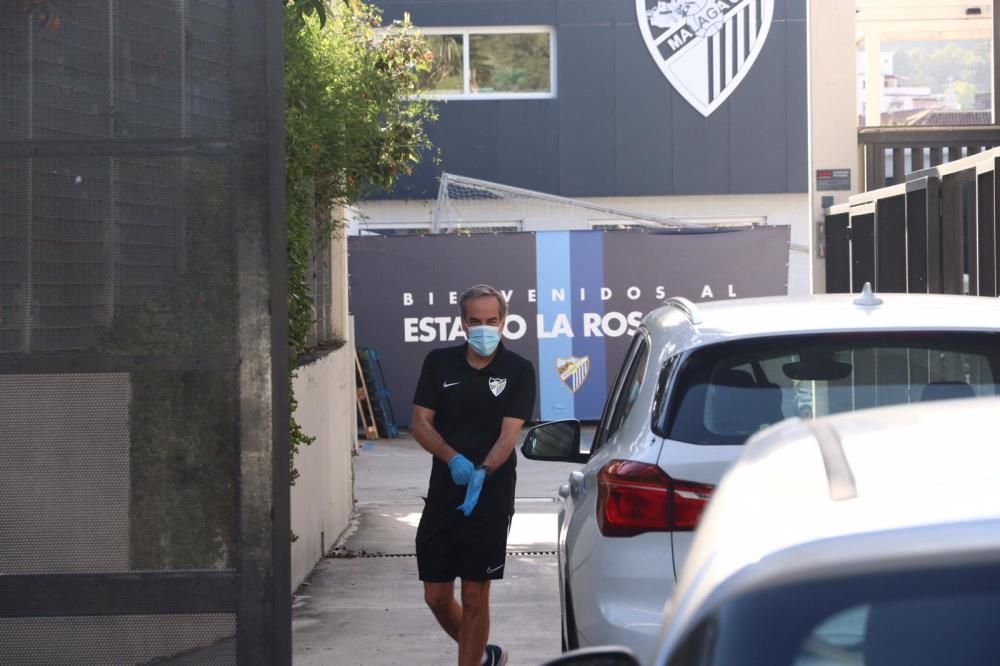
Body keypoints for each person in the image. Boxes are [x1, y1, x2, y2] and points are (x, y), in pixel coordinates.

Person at [412, 284, 536, 666]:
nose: (484, 328)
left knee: (475, 594)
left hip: (492, 492)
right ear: (463, 323)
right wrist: (452, 459)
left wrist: (483, 471)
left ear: (505, 322)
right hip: (445, 488)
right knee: (435, 594)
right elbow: (420, 422)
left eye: (492, 321)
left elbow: (509, 435)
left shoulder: (518, 370)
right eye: (476, 321)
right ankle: (482, 656)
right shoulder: (439, 363)